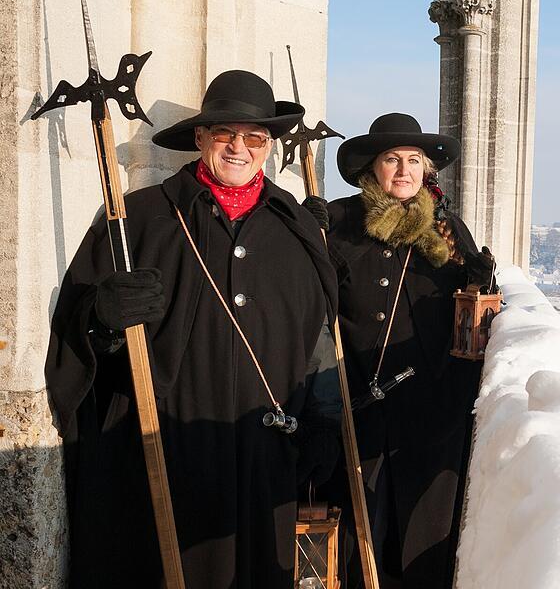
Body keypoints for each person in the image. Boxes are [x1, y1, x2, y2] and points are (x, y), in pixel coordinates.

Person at [46, 69, 342, 588]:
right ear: (200, 138)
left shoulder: (294, 225)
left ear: (268, 146)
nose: (239, 147)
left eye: (254, 137)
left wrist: (319, 429)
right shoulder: (137, 217)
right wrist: (101, 319)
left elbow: (320, 341)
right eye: (225, 133)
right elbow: (74, 338)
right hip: (165, 458)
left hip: (265, 459)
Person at [309, 113, 494, 588]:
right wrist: (306, 239)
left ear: (427, 171)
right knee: (356, 533)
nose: (404, 170)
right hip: (360, 409)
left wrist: (480, 279)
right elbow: (309, 299)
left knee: (423, 536)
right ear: (373, 168)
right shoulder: (341, 223)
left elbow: (473, 308)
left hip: (433, 414)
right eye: (392, 159)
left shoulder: (448, 230)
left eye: (414, 160)